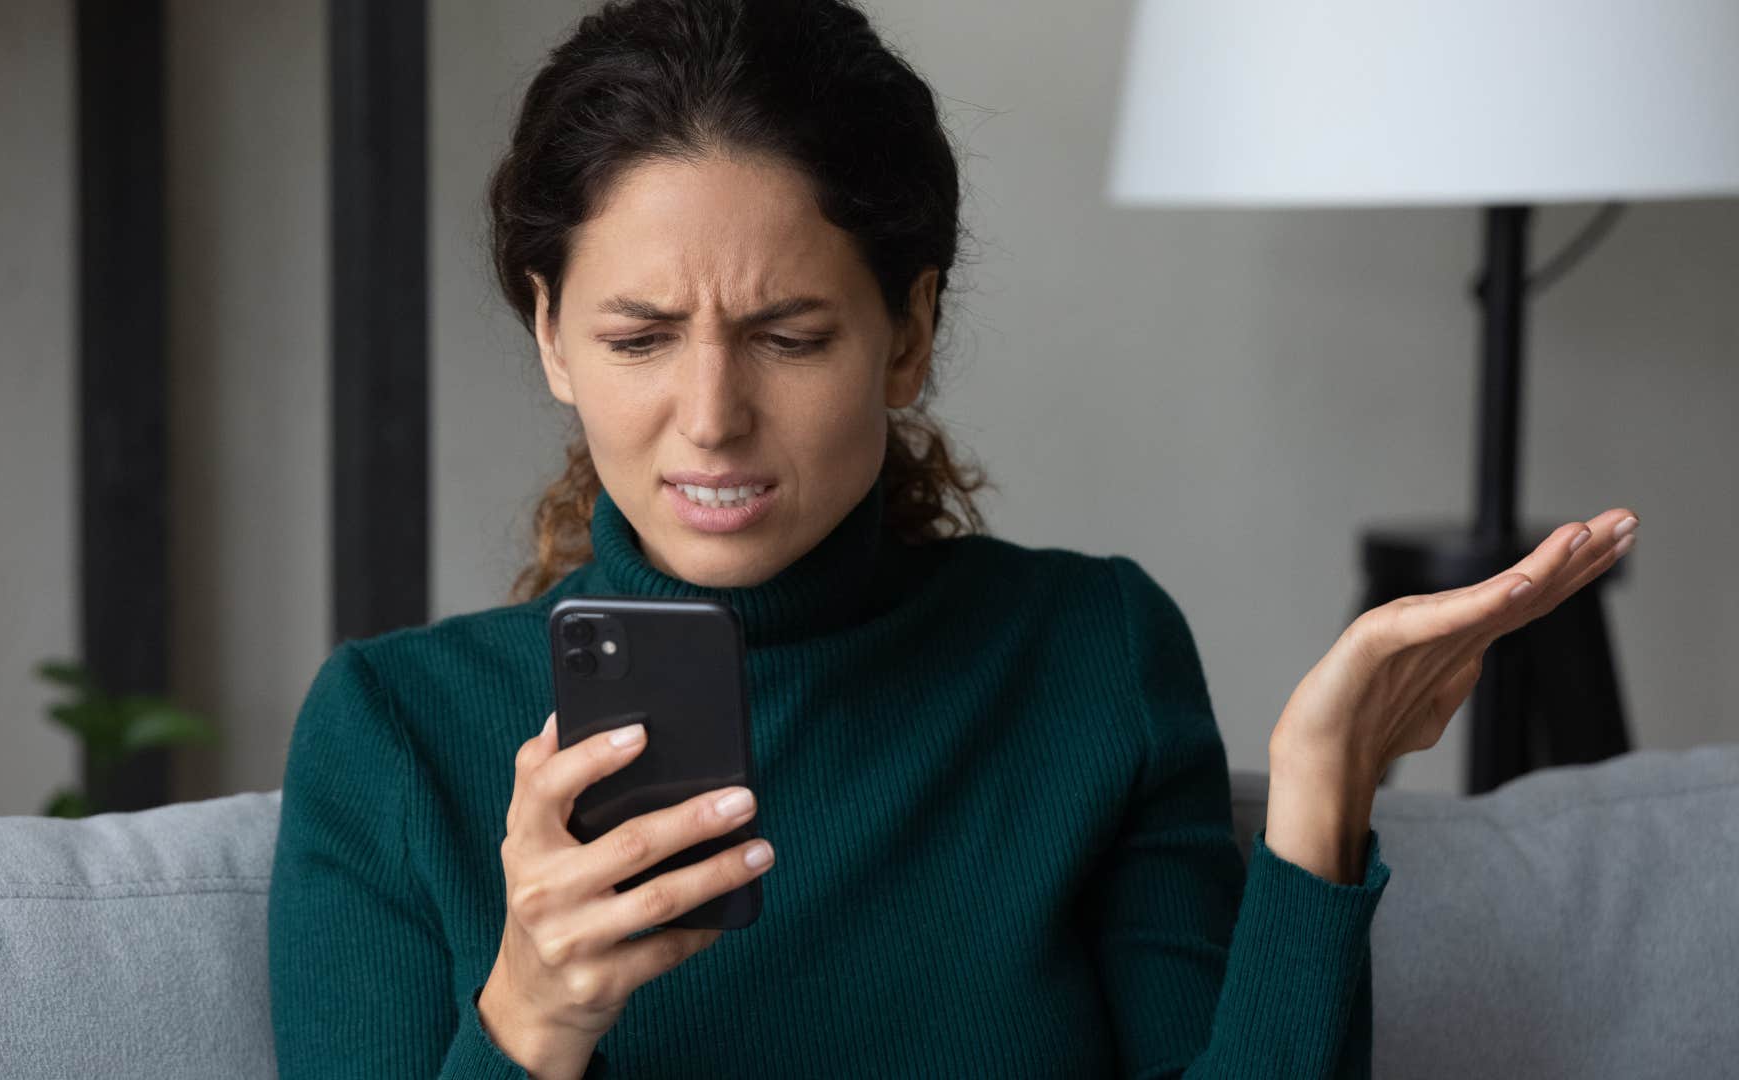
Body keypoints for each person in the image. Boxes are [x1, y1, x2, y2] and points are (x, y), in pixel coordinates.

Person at [266, 1, 1640, 1076]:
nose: (710, 419)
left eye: (789, 338)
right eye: (636, 338)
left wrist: (1322, 796)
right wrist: (527, 1022)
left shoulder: (1088, 655)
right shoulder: (392, 734)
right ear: (551, 334)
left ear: (908, 332)